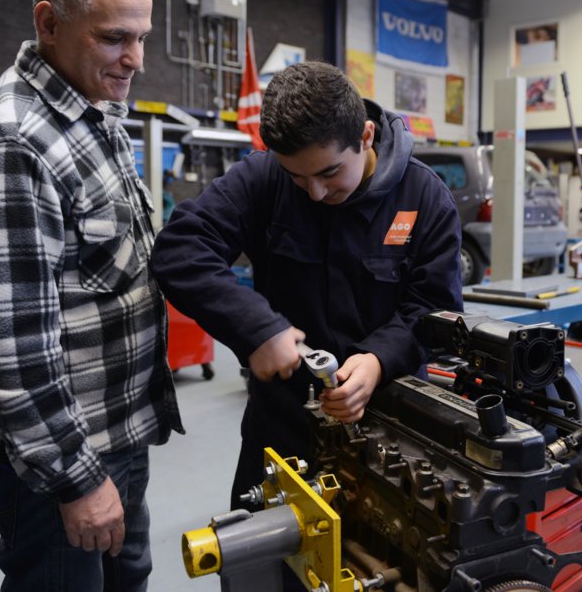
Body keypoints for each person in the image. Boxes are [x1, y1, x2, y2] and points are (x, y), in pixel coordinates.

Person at [0, 0, 182, 591]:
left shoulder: (92, 113)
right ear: (49, 24)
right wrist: (77, 479)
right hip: (61, 466)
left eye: (142, 38)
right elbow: (14, 349)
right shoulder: (11, 142)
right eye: (115, 38)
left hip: (116, 434)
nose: (136, 59)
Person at [151, 61, 462, 548]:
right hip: (282, 429)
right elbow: (180, 250)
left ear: (365, 135)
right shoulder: (263, 178)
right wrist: (257, 328)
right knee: (263, 567)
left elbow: (434, 311)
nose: (315, 193)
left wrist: (379, 360)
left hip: (389, 433)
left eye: (329, 172)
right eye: (297, 177)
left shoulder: (425, 198)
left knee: (380, 562)